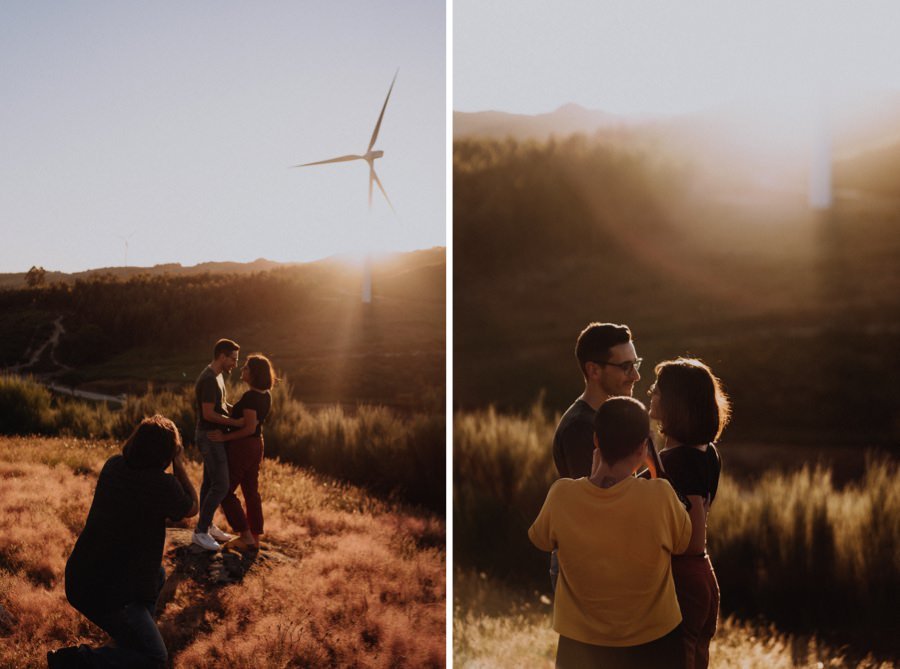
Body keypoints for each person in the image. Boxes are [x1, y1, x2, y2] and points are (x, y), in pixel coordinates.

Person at [530, 397, 691, 669]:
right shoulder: (661, 496)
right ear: (643, 448)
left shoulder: (562, 495)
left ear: (596, 440)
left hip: (581, 649)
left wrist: (594, 479)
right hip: (656, 646)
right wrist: (655, 470)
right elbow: (682, 543)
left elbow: (541, 540)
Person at [50, 415, 198, 669]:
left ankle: (130, 640)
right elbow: (193, 507)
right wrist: (179, 463)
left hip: (80, 577)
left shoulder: (114, 465)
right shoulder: (162, 485)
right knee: (154, 658)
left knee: (157, 574)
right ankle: (74, 660)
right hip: (112, 593)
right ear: (167, 452)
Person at [649, 358, 731, 669]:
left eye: (658, 390)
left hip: (682, 579)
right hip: (702, 576)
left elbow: (694, 540)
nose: (651, 393)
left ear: (675, 402)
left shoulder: (679, 460)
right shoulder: (706, 451)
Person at [550, 322, 642, 589]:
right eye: (625, 367)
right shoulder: (581, 428)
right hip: (588, 567)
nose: (635, 375)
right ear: (594, 370)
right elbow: (598, 505)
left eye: (636, 364)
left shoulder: (607, 422)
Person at [209, 354, 275, 551]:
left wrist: (223, 438)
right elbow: (248, 419)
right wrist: (224, 405)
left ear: (254, 374)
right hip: (255, 445)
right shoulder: (264, 395)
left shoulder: (251, 397)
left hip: (243, 446)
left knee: (224, 490)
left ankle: (245, 535)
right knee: (250, 491)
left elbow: (248, 427)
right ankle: (255, 537)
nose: (242, 370)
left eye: (246, 368)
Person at [192, 338, 244, 551]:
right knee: (221, 484)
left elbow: (219, 405)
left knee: (209, 483)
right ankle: (200, 533)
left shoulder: (219, 376)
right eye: (233, 359)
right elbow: (208, 413)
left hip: (213, 435)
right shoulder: (209, 380)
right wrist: (235, 422)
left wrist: (239, 410)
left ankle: (207, 525)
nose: (235, 364)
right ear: (222, 356)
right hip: (209, 436)